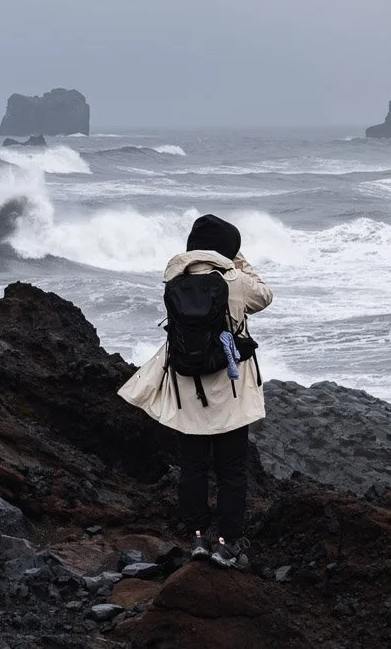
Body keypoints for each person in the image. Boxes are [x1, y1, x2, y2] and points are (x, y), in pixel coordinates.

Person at [118, 214, 272, 570]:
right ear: (227, 249)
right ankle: (228, 543)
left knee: (193, 466)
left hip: (188, 386)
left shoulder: (175, 280)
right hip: (230, 390)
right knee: (232, 468)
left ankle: (198, 537)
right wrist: (238, 260)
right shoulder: (234, 280)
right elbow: (264, 295)